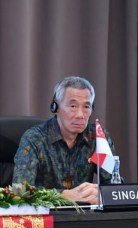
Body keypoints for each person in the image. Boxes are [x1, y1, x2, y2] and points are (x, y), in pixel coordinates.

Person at [13, 76, 116, 204]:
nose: (80, 115)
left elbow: (114, 186)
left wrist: (100, 194)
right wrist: (63, 195)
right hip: (46, 217)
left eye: (86, 107)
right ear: (55, 107)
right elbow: (20, 192)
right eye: (73, 106)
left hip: (85, 217)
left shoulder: (96, 137)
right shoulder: (35, 138)